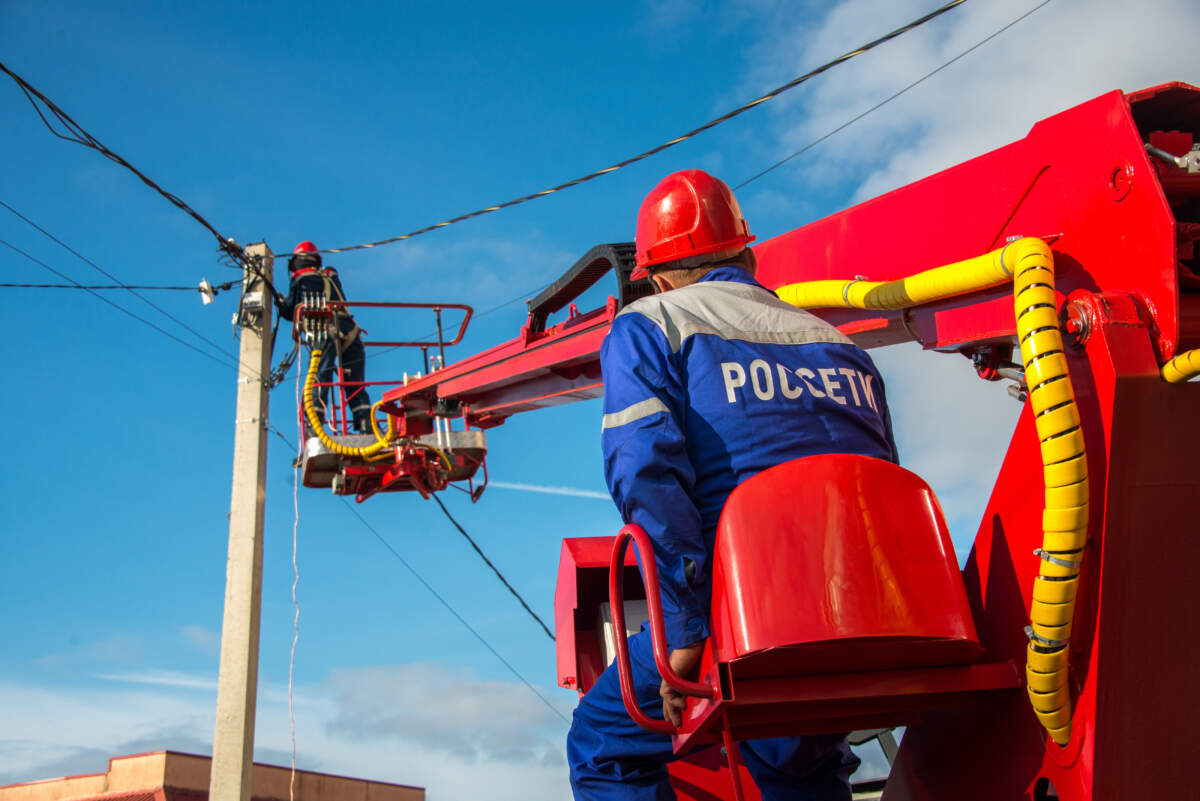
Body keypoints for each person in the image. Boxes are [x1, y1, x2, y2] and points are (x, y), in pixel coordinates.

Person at [567, 170, 900, 801]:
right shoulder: (841, 344)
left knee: (602, 738)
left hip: (745, 623)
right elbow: (879, 484)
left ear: (657, 275)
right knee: (797, 758)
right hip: (858, 620)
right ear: (747, 256)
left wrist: (685, 631)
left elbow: (643, 468)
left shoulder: (651, 323)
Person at [276, 241, 373, 434]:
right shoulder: (330, 275)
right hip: (350, 330)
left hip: (323, 330)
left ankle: (315, 424)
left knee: (320, 378)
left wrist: (279, 302)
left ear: (297, 262)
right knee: (354, 382)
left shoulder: (300, 277)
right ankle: (365, 423)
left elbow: (289, 311)